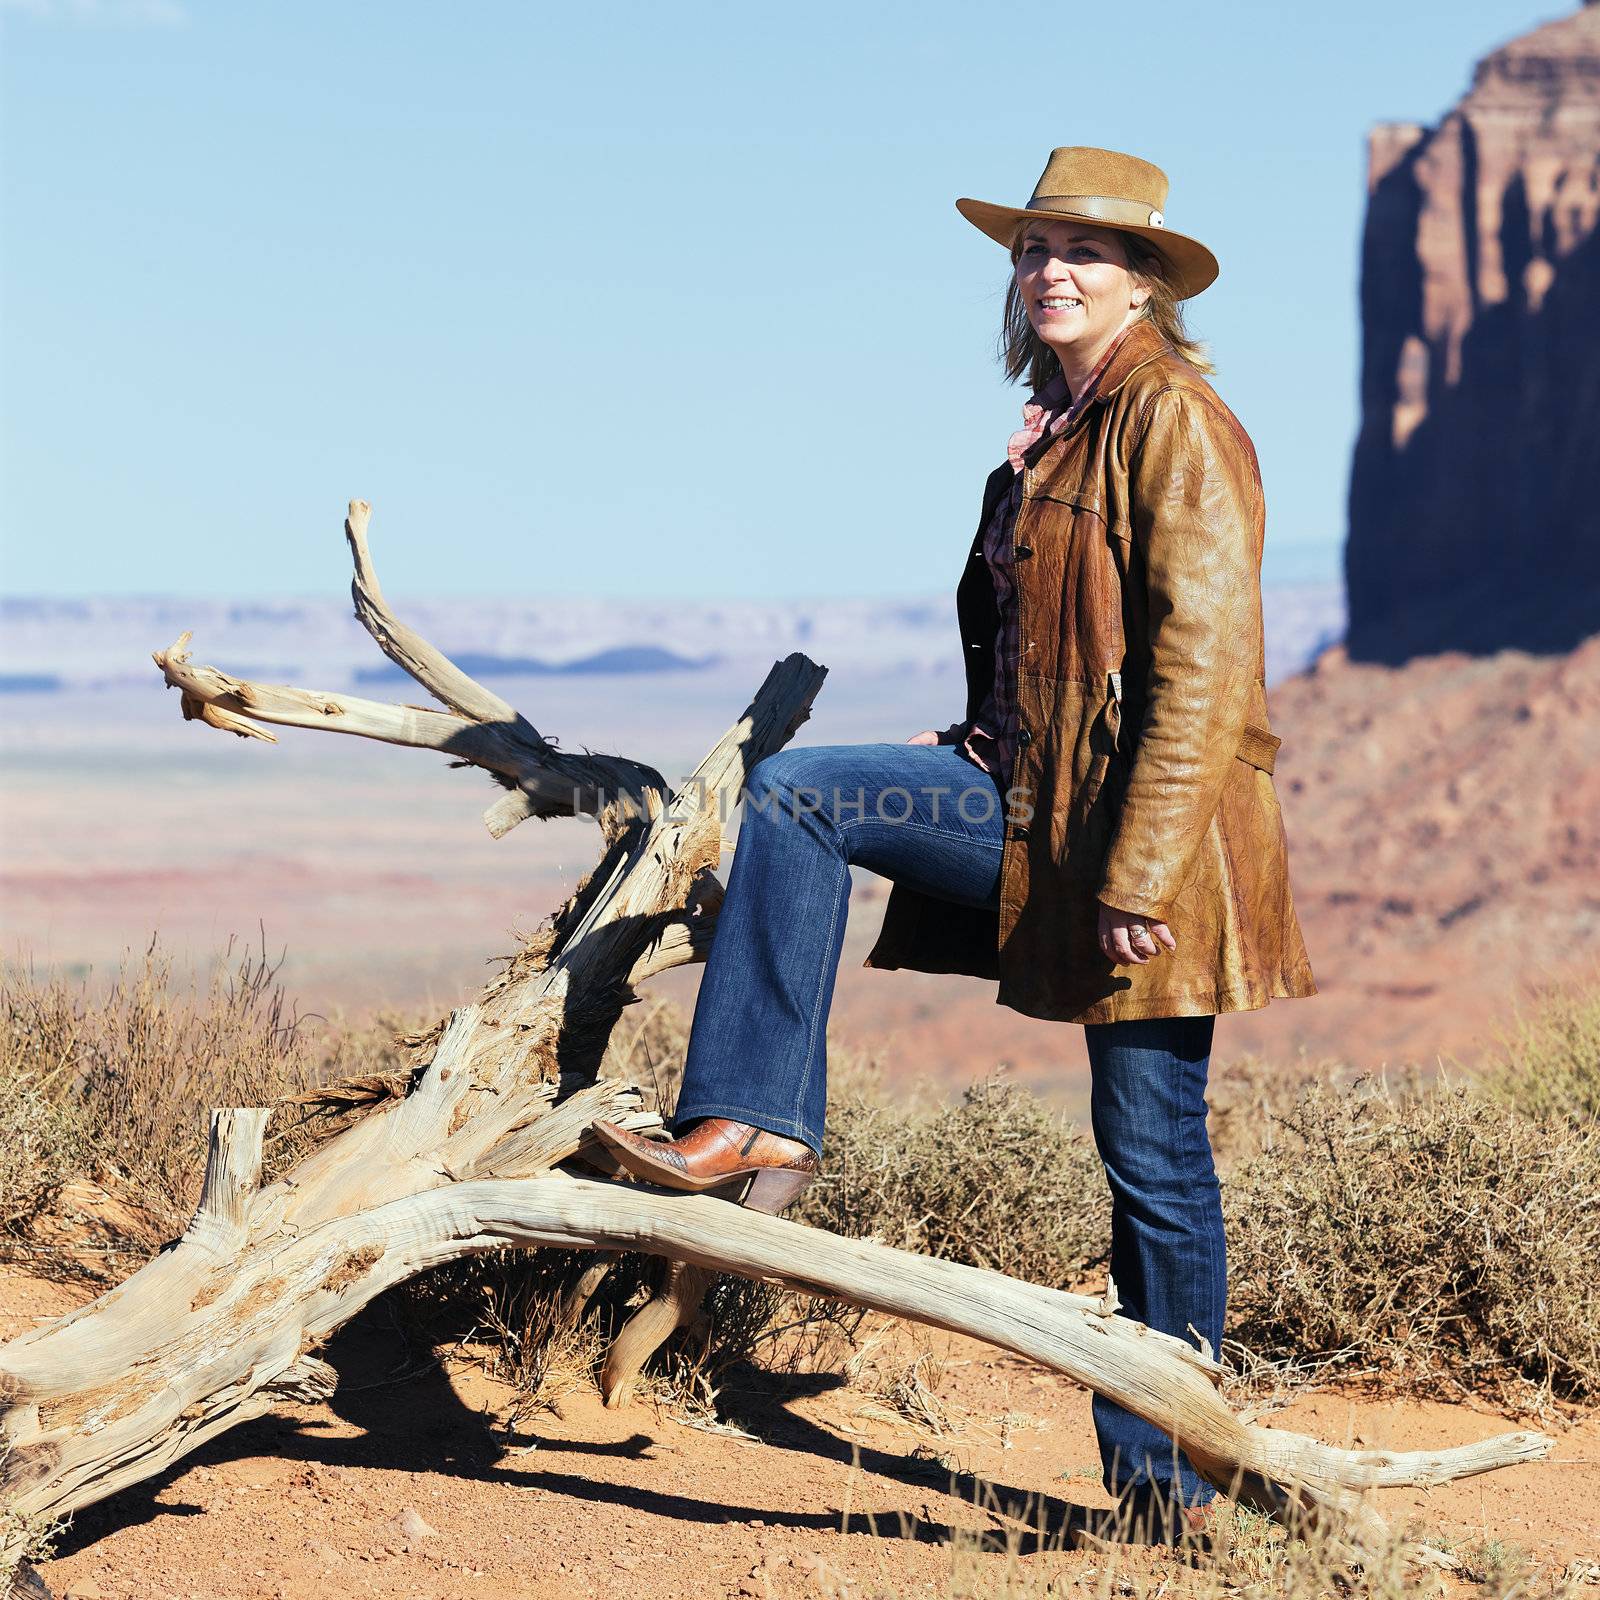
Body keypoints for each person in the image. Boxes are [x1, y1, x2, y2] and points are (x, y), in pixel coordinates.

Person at [593, 146, 1317, 1528]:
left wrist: (1143, 869)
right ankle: (747, 1124)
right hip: (1040, 805)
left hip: (1148, 845)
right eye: (1034, 249)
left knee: (1152, 1151)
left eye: (1086, 253)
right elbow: (1052, 643)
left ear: (1147, 282)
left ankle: (1175, 1483)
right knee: (807, 793)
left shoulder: (1177, 421)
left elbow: (1205, 671)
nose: (1051, 270)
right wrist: (983, 737)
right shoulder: (1057, 428)